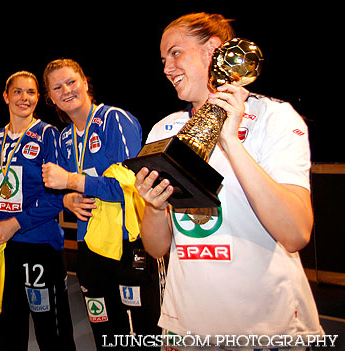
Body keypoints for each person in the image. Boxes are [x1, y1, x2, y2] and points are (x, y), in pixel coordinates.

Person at [134, 12, 323, 344]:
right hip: (186, 327)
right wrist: (151, 206)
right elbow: (155, 247)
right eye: (163, 59)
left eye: (176, 52)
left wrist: (230, 141)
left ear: (213, 50)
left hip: (269, 329)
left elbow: (295, 233)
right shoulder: (164, 130)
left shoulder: (273, 118)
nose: (166, 68)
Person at [40, 59, 160, 349]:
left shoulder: (114, 120)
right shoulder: (65, 137)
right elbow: (64, 192)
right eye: (57, 87)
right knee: (104, 333)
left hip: (128, 242)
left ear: (85, 82)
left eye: (71, 82)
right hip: (89, 245)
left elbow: (130, 186)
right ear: (51, 97)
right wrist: (68, 198)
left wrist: (72, 181)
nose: (66, 90)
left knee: (138, 337)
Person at [0, 71, 76, 350]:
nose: (24, 98)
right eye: (17, 92)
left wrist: (15, 224)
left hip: (40, 246)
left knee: (52, 336)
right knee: (8, 333)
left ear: (38, 98)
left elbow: (57, 197)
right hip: (3, 251)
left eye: (30, 92)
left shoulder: (47, 135)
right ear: (6, 96)